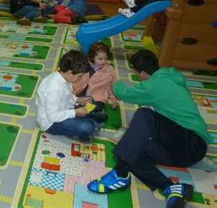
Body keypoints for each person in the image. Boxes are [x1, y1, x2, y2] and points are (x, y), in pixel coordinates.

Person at [87, 50, 211, 208]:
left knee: (144, 115)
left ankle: (120, 173)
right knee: (132, 149)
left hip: (192, 143)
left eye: (136, 74)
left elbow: (123, 93)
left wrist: (115, 80)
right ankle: (170, 188)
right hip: (179, 148)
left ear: (143, 73)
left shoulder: (153, 86)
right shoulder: (172, 75)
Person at [36, 50, 104, 142]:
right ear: (70, 72)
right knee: (88, 127)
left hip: (66, 109)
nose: (81, 78)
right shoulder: (54, 89)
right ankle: (87, 121)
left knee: (92, 101)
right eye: (80, 76)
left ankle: (90, 117)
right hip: (52, 123)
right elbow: (53, 116)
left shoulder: (64, 77)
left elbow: (67, 95)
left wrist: (78, 100)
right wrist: (75, 113)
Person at [74, 43, 118, 123]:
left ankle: (83, 112)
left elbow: (112, 85)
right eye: (100, 59)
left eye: (106, 58)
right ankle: (90, 115)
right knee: (70, 101)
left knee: (98, 106)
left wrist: (113, 98)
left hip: (96, 97)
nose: (104, 61)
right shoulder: (84, 65)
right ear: (92, 57)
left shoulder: (109, 69)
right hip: (80, 94)